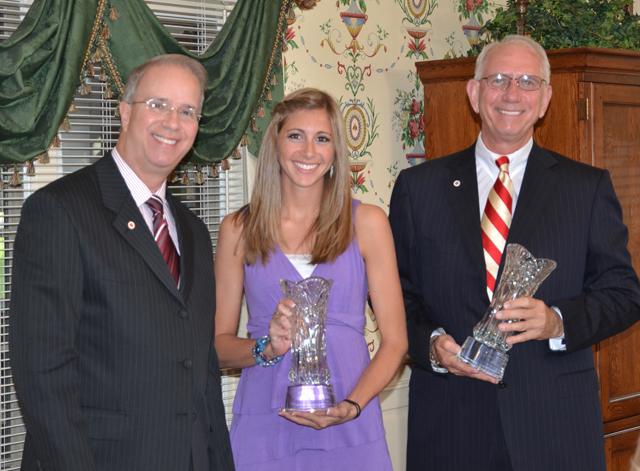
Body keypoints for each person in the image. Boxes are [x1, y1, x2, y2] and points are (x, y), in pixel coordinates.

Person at [389, 34, 640, 471]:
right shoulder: (418, 189)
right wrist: (432, 346)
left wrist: (556, 321)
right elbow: (395, 296)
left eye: (527, 82)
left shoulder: (586, 188)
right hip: (450, 427)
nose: (511, 94)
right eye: (498, 79)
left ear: (545, 99)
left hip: (554, 427)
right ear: (474, 92)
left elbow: (623, 294)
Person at [9, 54, 234, 471]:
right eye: (158, 105)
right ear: (125, 112)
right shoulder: (59, 210)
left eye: (188, 112)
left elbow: (202, 373)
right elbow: (43, 374)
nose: (173, 122)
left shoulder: (195, 232)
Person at [214, 88, 407, 470]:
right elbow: (218, 348)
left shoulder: (368, 223)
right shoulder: (238, 229)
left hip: (349, 422)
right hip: (265, 425)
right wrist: (265, 348)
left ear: (336, 152)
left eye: (322, 139)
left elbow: (397, 342)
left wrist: (352, 406)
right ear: (275, 143)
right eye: (295, 136)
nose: (308, 152)